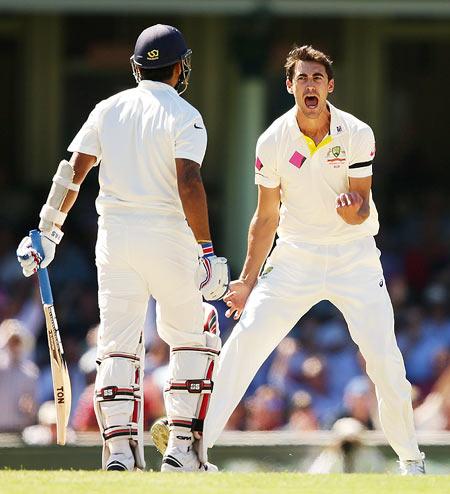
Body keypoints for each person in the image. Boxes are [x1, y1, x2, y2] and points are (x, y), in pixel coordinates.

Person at [152, 45, 424, 474]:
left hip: (354, 257)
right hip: (294, 256)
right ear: (289, 86)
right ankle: (192, 453)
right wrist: (245, 281)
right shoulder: (273, 140)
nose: (310, 85)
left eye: (317, 78)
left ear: (330, 86)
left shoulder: (357, 132)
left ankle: (411, 460)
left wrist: (352, 206)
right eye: (302, 79)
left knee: (384, 359)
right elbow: (265, 216)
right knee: (243, 344)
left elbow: (363, 208)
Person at [16, 24, 229, 472]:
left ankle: (118, 453)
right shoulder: (185, 114)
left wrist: (47, 230)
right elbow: (189, 180)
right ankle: (182, 451)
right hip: (168, 237)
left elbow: (73, 170)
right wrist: (207, 250)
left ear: (136, 68)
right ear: (180, 68)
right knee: (193, 335)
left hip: (114, 240)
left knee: (116, 345)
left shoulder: (108, 108)